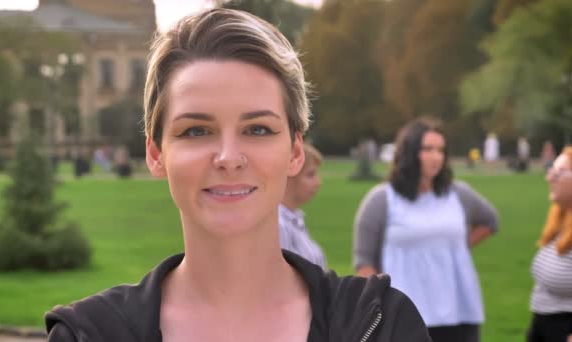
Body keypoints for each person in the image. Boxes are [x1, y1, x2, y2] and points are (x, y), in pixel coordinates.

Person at [45, 9, 431, 342]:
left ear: (295, 152)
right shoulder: (90, 334)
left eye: (258, 129)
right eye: (196, 130)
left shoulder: (383, 325)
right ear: (156, 154)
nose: (229, 157)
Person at [353, 117, 499, 342]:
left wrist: (458, 248)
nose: (436, 157)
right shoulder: (381, 199)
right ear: (409, 152)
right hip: (403, 317)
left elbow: (490, 221)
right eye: (427, 149)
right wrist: (381, 305)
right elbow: (364, 263)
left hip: (459, 314)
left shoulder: (458, 194)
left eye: (441, 150)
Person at [527, 147, 572, 342]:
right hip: (544, 327)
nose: (550, 178)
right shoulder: (563, 225)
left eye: (559, 172)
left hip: (571, 328)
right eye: (551, 171)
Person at [279, 143, 326, 270]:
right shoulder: (278, 224)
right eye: (310, 175)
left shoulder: (293, 219)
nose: (318, 183)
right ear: (289, 175)